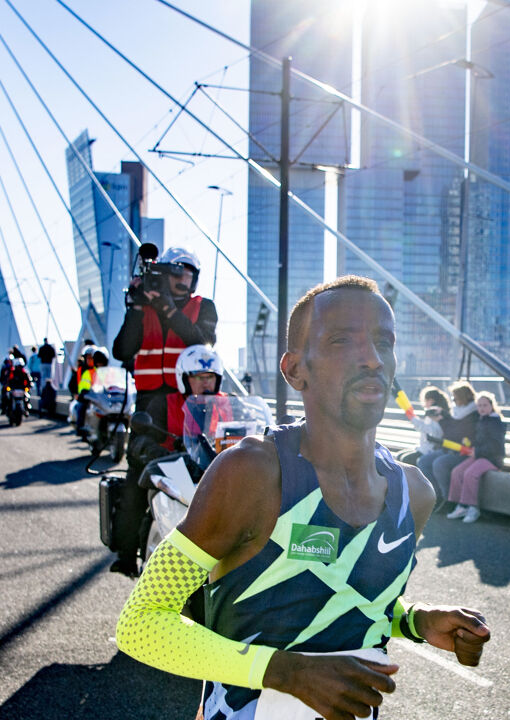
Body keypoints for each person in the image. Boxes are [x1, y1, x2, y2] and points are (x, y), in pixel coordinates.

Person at [115, 275, 490, 719]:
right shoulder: (251, 472)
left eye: (383, 342)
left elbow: (349, 598)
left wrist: (417, 621)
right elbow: (140, 623)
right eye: (340, 341)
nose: (371, 358)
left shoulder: (416, 492)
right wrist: (286, 672)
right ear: (295, 370)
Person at [110, 344, 227, 578]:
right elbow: (140, 441)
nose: (206, 383)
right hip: (175, 473)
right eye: (199, 377)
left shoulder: (229, 405)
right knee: (133, 499)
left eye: (211, 377)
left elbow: (250, 433)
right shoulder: (163, 404)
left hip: (220, 474)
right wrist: (158, 452)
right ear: (184, 379)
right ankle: (131, 558)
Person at [112, 245, 218, 416]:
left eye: (188, 274)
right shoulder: (144, 310)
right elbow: (122, 352)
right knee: (141, 442)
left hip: (188, 400)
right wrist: (135, 308)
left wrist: (170, 311)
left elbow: (204, 345)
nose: (182, 279)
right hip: (147, 400)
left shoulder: (203, 306)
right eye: (176, 273)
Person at [445, 391, 506, 524]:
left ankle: (473, 508)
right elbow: (481, 441)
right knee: (457, 472)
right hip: (480, 456)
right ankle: (460, 506)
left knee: (469, 474)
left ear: (492, 406)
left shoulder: (496, 422)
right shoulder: (482, 420)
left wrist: (477, 452)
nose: (482, 408)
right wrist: (470, 446)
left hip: (493, 459)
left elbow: (497, 447)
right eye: (479, 406)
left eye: (485, 405)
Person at [415, 380, 478, 508]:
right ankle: (435, 495)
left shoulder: (472, 414)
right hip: (450, 448)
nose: (453, 401)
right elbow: (450, 432)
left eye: (455, 398)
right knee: (423, 462)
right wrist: (441, 419)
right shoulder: (459, 411)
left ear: (462, 397)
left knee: (439, 464)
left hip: (462, 451)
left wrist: (442, 420)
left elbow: (457, 435)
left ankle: (447, 499)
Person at [409, 386, 449, 457]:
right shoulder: (433, 412)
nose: (424, 403)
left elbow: (433, 432)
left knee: (405, 458)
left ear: (431, 400)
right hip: (426, 447)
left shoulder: (435, 413)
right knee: (402, 456)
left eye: (426, 400)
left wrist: (413, 419)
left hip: (431, 449)